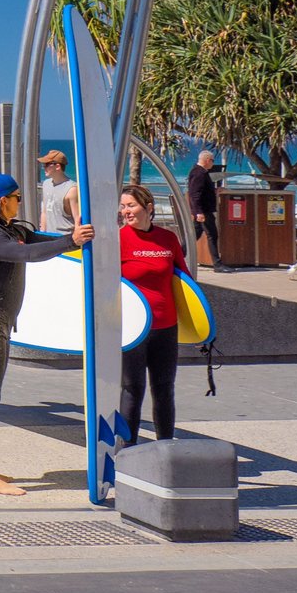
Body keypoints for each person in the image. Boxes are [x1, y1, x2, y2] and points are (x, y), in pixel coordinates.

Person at [0, 173, 93, 495]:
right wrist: (71, 241)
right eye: (18, 197)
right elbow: (29, 255)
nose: (21, 202)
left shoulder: (13, 230)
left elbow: (41, 242)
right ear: (3, 201)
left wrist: (78, 238)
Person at [118, 183, 189, 445]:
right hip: (133, 328)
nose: (126, 211)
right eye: (123, 206)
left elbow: (185, 280)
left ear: (148, 207)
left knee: (164, 389)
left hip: (166, 326)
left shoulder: (167, 238)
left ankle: (165, 446)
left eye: (131, 205)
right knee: (132, 390)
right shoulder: (118, 240)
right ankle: (126, 452)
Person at [187, 150, 228, 271]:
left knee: (194, 235)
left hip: (202, 210)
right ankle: (217, 264)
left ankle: (177, 256)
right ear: (207, 160)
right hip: (204, 211)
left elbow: (202, 191)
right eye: (212, 160)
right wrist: (198, 212)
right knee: (212, 235)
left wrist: (215, 191)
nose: (213, 163)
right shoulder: (199, 173)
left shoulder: (201, 172)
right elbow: (195, 194)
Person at [38, 151, 79, 238]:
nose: (44, 168)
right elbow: (44, 212)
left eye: (47, 165)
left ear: (57, 166)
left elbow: (78, 219)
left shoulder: (72, 189)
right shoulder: (46, 184)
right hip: (49, 239)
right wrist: (42, 234)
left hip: (66, 239)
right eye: (43, 165)